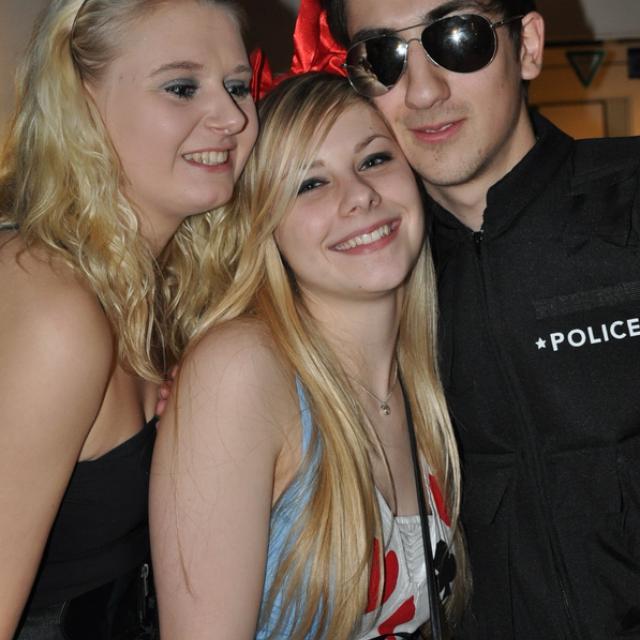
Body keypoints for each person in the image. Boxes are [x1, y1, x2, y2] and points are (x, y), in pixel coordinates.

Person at [321, 0, 640, 638]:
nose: (422, 91)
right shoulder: (358, 282)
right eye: (384, 56)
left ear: (528, 46)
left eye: (459, 36)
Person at [150, 72, 468, 639]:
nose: (359, 195)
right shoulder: (242, 371)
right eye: (310, 183)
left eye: (374, 160)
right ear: (264, 224)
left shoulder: (427, 377)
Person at [0, 0, 257, 637]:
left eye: (237, 86)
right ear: (82, 103)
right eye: (181, 87)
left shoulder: (168, 293)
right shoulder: (52, 306)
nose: (231, 117)